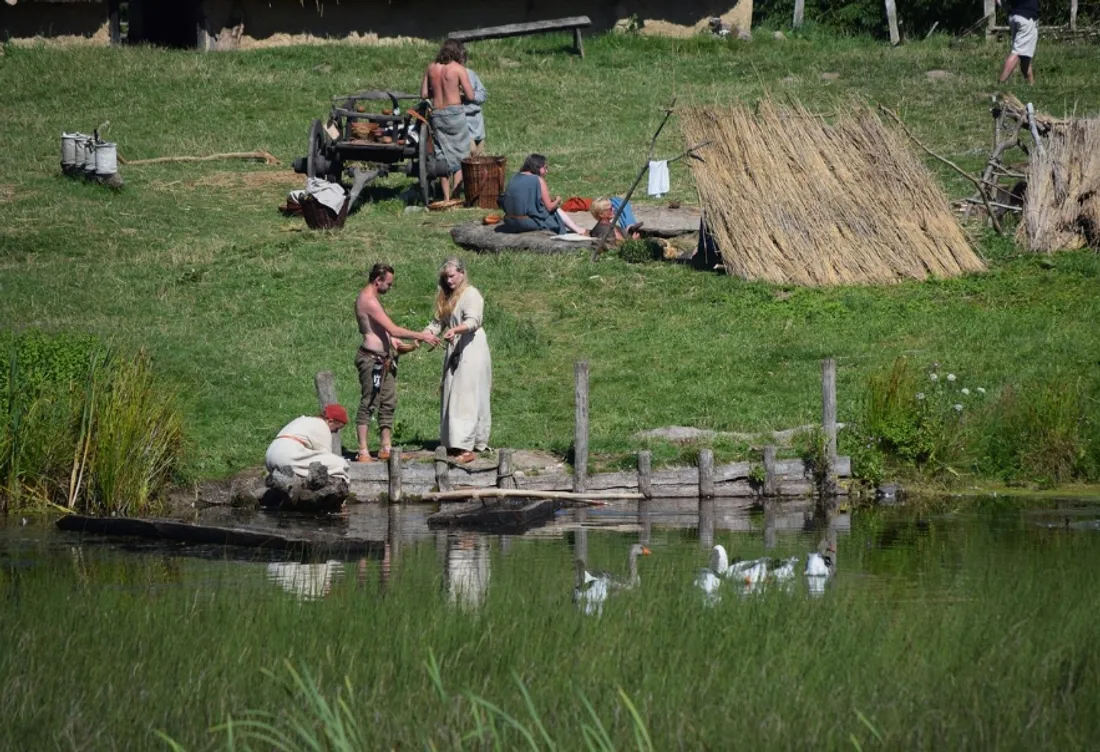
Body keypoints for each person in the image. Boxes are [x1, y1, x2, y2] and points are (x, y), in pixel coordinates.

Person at [355, 263, 441, 463]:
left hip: (384, 358)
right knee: (369, 402)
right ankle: (363, 450)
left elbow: (379, 327)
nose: (390, 288)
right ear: (378, 281)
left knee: (388, 401)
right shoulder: (368, 300)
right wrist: (422, 336)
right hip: (371, 359)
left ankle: (386, 447)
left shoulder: (372, 298)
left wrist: (390, 340)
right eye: (389, 284)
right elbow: (393, 328)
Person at [421, 258, 491, 463]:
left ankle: (468, 446)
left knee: (466, 395)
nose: (449, 281)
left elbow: (474, 320)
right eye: (446, 277)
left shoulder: (471, 294)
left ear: (462, 273)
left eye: (452, 276)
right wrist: (423, 336)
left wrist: (455, 329)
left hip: (471, 349)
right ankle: (454, 442)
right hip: (455, 348)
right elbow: (437, 322)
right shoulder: (447, 296)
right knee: (452, 393)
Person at [421, 39, 474, 201]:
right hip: (455, 114)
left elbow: (423, 94)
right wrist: (459, 94)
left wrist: (437, 93)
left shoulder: (431, 68)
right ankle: (456, 195)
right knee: (461, 153)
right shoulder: (458, 69)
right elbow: (471, 95)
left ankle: (445, 198)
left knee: (441, 153)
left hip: (437, 113)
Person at [499, 154, 587, 235]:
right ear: (537, 167)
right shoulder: (538, 180)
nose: (547, 171)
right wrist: (558, 200)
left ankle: (577, 229)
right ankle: (578, 230)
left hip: (509, 221)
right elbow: (549, 207)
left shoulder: (514, 177)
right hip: (524, 223)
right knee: (555, 212)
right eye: (545, 168)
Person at [265, 404, 351, 482]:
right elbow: (326, 455)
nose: (335, 432)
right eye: (336, 428)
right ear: (330, 421)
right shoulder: (322, 426)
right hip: (286, 458)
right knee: (340, 464)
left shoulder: (302, 419)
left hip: (269, 458)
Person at [997, 0, 1038, 84]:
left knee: (1025, 54)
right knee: (1017, 52)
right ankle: (1001, 82)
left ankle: (1031, 83)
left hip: (1014, 17)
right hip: (1027, 18)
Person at [462, 49, 488, 156]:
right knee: (471, 151)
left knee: (480, 153)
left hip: (476, 119)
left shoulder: (471, 74)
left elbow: (483, 94)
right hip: (462, 118)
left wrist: (470, 95)